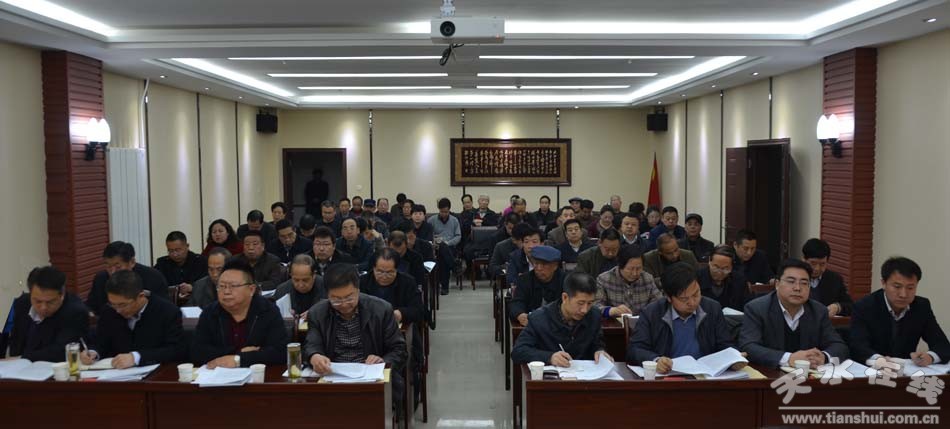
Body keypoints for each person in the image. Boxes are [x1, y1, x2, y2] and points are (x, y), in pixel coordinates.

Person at [304, 264, 407, 411]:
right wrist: (314, 356)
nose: (344, 305)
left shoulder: (381, 309)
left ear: (358, 290)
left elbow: (399, 350)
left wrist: (382, 361)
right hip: (332, 378)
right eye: (336, 300)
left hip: (370, 380)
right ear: (327, 295)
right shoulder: (317, 313)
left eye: (349, 298)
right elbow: (311, 344)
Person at [628, 262, 744, 373]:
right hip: (669, 376)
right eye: (684, 299)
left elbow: (725, 344)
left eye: (696, 294)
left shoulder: (712, 308)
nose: (692, 302)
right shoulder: (652, 313)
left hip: (705, 375)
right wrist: (656, 360)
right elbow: (635, 349)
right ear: (668, 297)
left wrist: (734, 358)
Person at [738, 259, 848, 368]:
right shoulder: (757, 309)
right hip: (770, 374)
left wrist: (824, 357)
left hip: (809, 374)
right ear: (777, 284)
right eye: (791, 282)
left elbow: (839, 346)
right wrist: (788, 358)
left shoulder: (818, 311)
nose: (797, 288)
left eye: (804, 283)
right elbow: (748, 346)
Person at [849, 257, 950, 368]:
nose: (903, 294)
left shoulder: (921, 306)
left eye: (910, 288)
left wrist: (930, 357)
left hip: (906, 372)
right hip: (871, 371)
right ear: (883, 283)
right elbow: (857, 346)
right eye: (897, 287)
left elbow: (942, 345)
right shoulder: (864, 306)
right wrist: (878, 360)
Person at [191, 259, 289, 368]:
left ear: (251, 289)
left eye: (233, 286)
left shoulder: (268, 311)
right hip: (217, 375)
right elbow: (197, 352)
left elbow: (280, 353)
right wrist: (239, 354)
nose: (226, 292)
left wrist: (240, 360)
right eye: (221, 286)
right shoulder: (210, 312)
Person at [79, 270, 186, 368]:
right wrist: (93, 352)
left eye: (123, 305)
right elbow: (101, 341)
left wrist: (136, 357)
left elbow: (175, 350)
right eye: (113, 304)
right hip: (115, 374)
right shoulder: (109, 311)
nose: (118, 310)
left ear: (141, 296)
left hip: (157, 373)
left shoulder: (168, 312)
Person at [512, 272, 612, 367]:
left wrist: (599, 351)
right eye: (580, 303)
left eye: (590, 303)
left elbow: (597, 343)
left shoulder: (594, 315)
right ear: (565, 297)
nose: (585, 310)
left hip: (585, 375)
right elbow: (518, 351)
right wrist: (549, 357)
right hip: (552, 376)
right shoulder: (540, 318)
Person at [6, 266, 88, 361]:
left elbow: (60, 351)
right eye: (38, 301)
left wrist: (21, 358)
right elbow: (10, 337)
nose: (43, 307)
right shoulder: (21, 303)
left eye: (50, 302)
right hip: (16, 366)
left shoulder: (75, 312)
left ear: (62, 294)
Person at [87, 241, 169, 315]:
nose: (112, 272)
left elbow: (164, 308)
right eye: (108, 266)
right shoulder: (101, 279)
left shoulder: (153, 277)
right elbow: (92, 306)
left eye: (118, 267)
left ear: (132, 262)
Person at [360, 249, 425, 325]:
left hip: (399, 326)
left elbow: (418, 311)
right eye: (379, 271)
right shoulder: (363, 281)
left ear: (397, 269)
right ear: (373, 268)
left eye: (389, 272)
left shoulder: (407, 282)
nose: (384, 276)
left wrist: (401, 313)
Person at [595, 245, 661, 317]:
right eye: (630, 269)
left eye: (638, 268)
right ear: (620, 266)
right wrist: (611, 310)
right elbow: (595, 306)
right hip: (615, 322)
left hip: (643, 321)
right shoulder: (604, 279)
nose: (635, 273)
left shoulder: (647, 279)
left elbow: (659, 303)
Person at [508, 245, 566, 327]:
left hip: (559, 325)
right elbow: (517, 302)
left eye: (544, 264)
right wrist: (520, 314)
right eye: (536, 263)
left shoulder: (566, 280)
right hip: (531, 325)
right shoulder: (525, 279)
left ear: (555, 266)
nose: (539, 268)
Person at [801, 238, 853, 316]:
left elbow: (851, 306)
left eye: (822, 264)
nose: (817, 268)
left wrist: (838, 307)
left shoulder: (834, 279)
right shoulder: (793, 277)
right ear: (803, 259)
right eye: (813, 263)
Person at [154, 231, 207, 300]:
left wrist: (193, 287)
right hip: (170, 302)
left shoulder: (201, 262)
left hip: (197, 301)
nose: (175, 254)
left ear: (187, 246)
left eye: (178, 250)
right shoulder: (162, 263)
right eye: (170, 251)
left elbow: (208, 285)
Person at [698, 246, 750, 312]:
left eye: (725, 268)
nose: (719, 272)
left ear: (731, 267)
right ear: (709, 262)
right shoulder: (696, 278)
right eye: (716, 267)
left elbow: (746, 307)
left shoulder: (739, 281)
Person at [428, 198, 461, 295]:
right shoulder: (431, 220)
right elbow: (429, 236)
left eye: (446, 212)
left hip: (450, 247)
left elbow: (458, 236)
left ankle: (444, 286)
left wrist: (448, 243)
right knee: (442, 251)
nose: (444, 214)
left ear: (449, 210)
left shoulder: (454, 220)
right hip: (435, 247)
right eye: (442, 212)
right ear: (439, 209)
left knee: (443, 258)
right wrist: (435, 241)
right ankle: (454, 266)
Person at [506, 224, 544, 288]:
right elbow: (511, 280)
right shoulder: (515, 257)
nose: (530, 246)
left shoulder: (549, 257)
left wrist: (524, 279)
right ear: (522, 244)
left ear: (542, 244)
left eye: (534, 242)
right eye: (526, 242)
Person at [488, 215, 522, 279]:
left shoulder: (528, 239)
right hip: (506, 274)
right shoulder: (497, 240)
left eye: (516, 228)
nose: (513, 231)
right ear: (505, 225)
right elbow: (492, 266)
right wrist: (504, 268)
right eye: (510, 228)